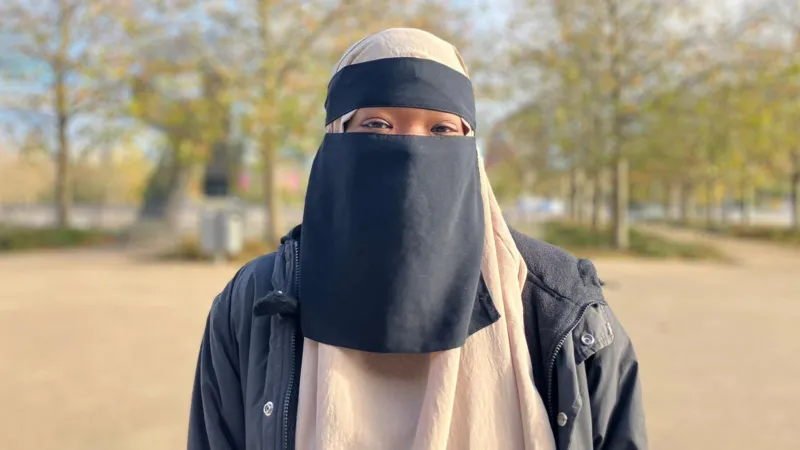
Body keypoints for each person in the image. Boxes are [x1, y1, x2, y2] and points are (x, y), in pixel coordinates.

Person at [188, 28, 647, 450]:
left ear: (470, 145)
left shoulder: (560, 304)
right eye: (377, 125)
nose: (410, 150)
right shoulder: (253, 301)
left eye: (441, 129)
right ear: (336, 135)